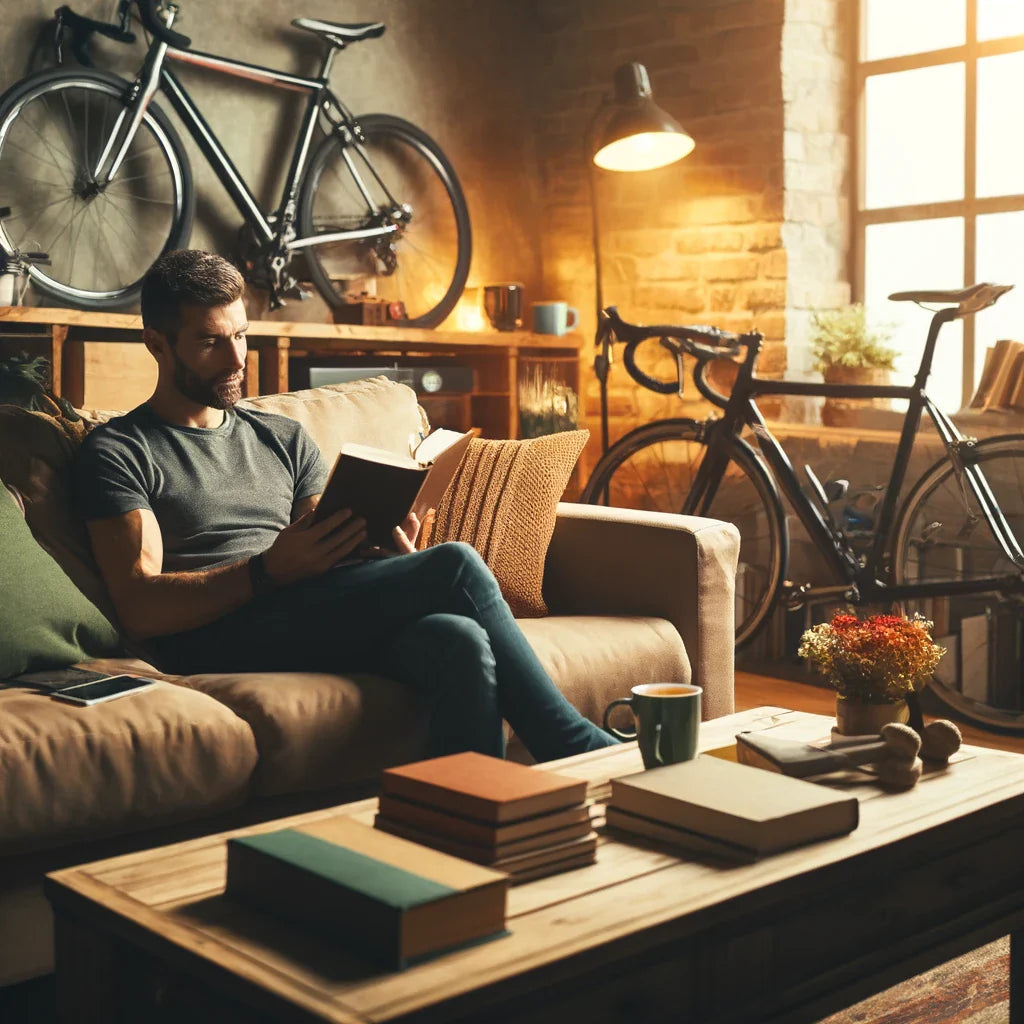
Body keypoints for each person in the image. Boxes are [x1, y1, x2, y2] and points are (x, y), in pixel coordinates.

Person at [74, 249, 616, 762]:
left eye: (240, 335)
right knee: (455, 565)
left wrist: (382, 550)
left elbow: (327, 550)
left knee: (460, 640)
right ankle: (575, 745)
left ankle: (467, 812)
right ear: (157, 344)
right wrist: (265, 572)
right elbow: (140, 606)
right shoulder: (122, 450)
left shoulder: (281, 438)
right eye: (211, 343)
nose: (237, 359)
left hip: (301, 613)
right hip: (214, 635)